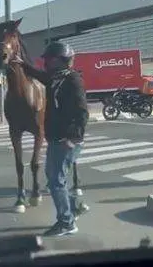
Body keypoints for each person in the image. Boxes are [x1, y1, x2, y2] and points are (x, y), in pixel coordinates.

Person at [13, 42, 90, 236]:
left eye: (49, 59)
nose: (45, 62)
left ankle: (66, 222)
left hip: (66, 140)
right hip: (57, 139)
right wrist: (22, 64)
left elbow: (82, 113)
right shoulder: (56, 79)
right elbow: (39, 75)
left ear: (60, 60)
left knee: (56, 180)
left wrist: (72, 139)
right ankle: (74, 208)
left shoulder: (72, 80)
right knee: (55, 178)